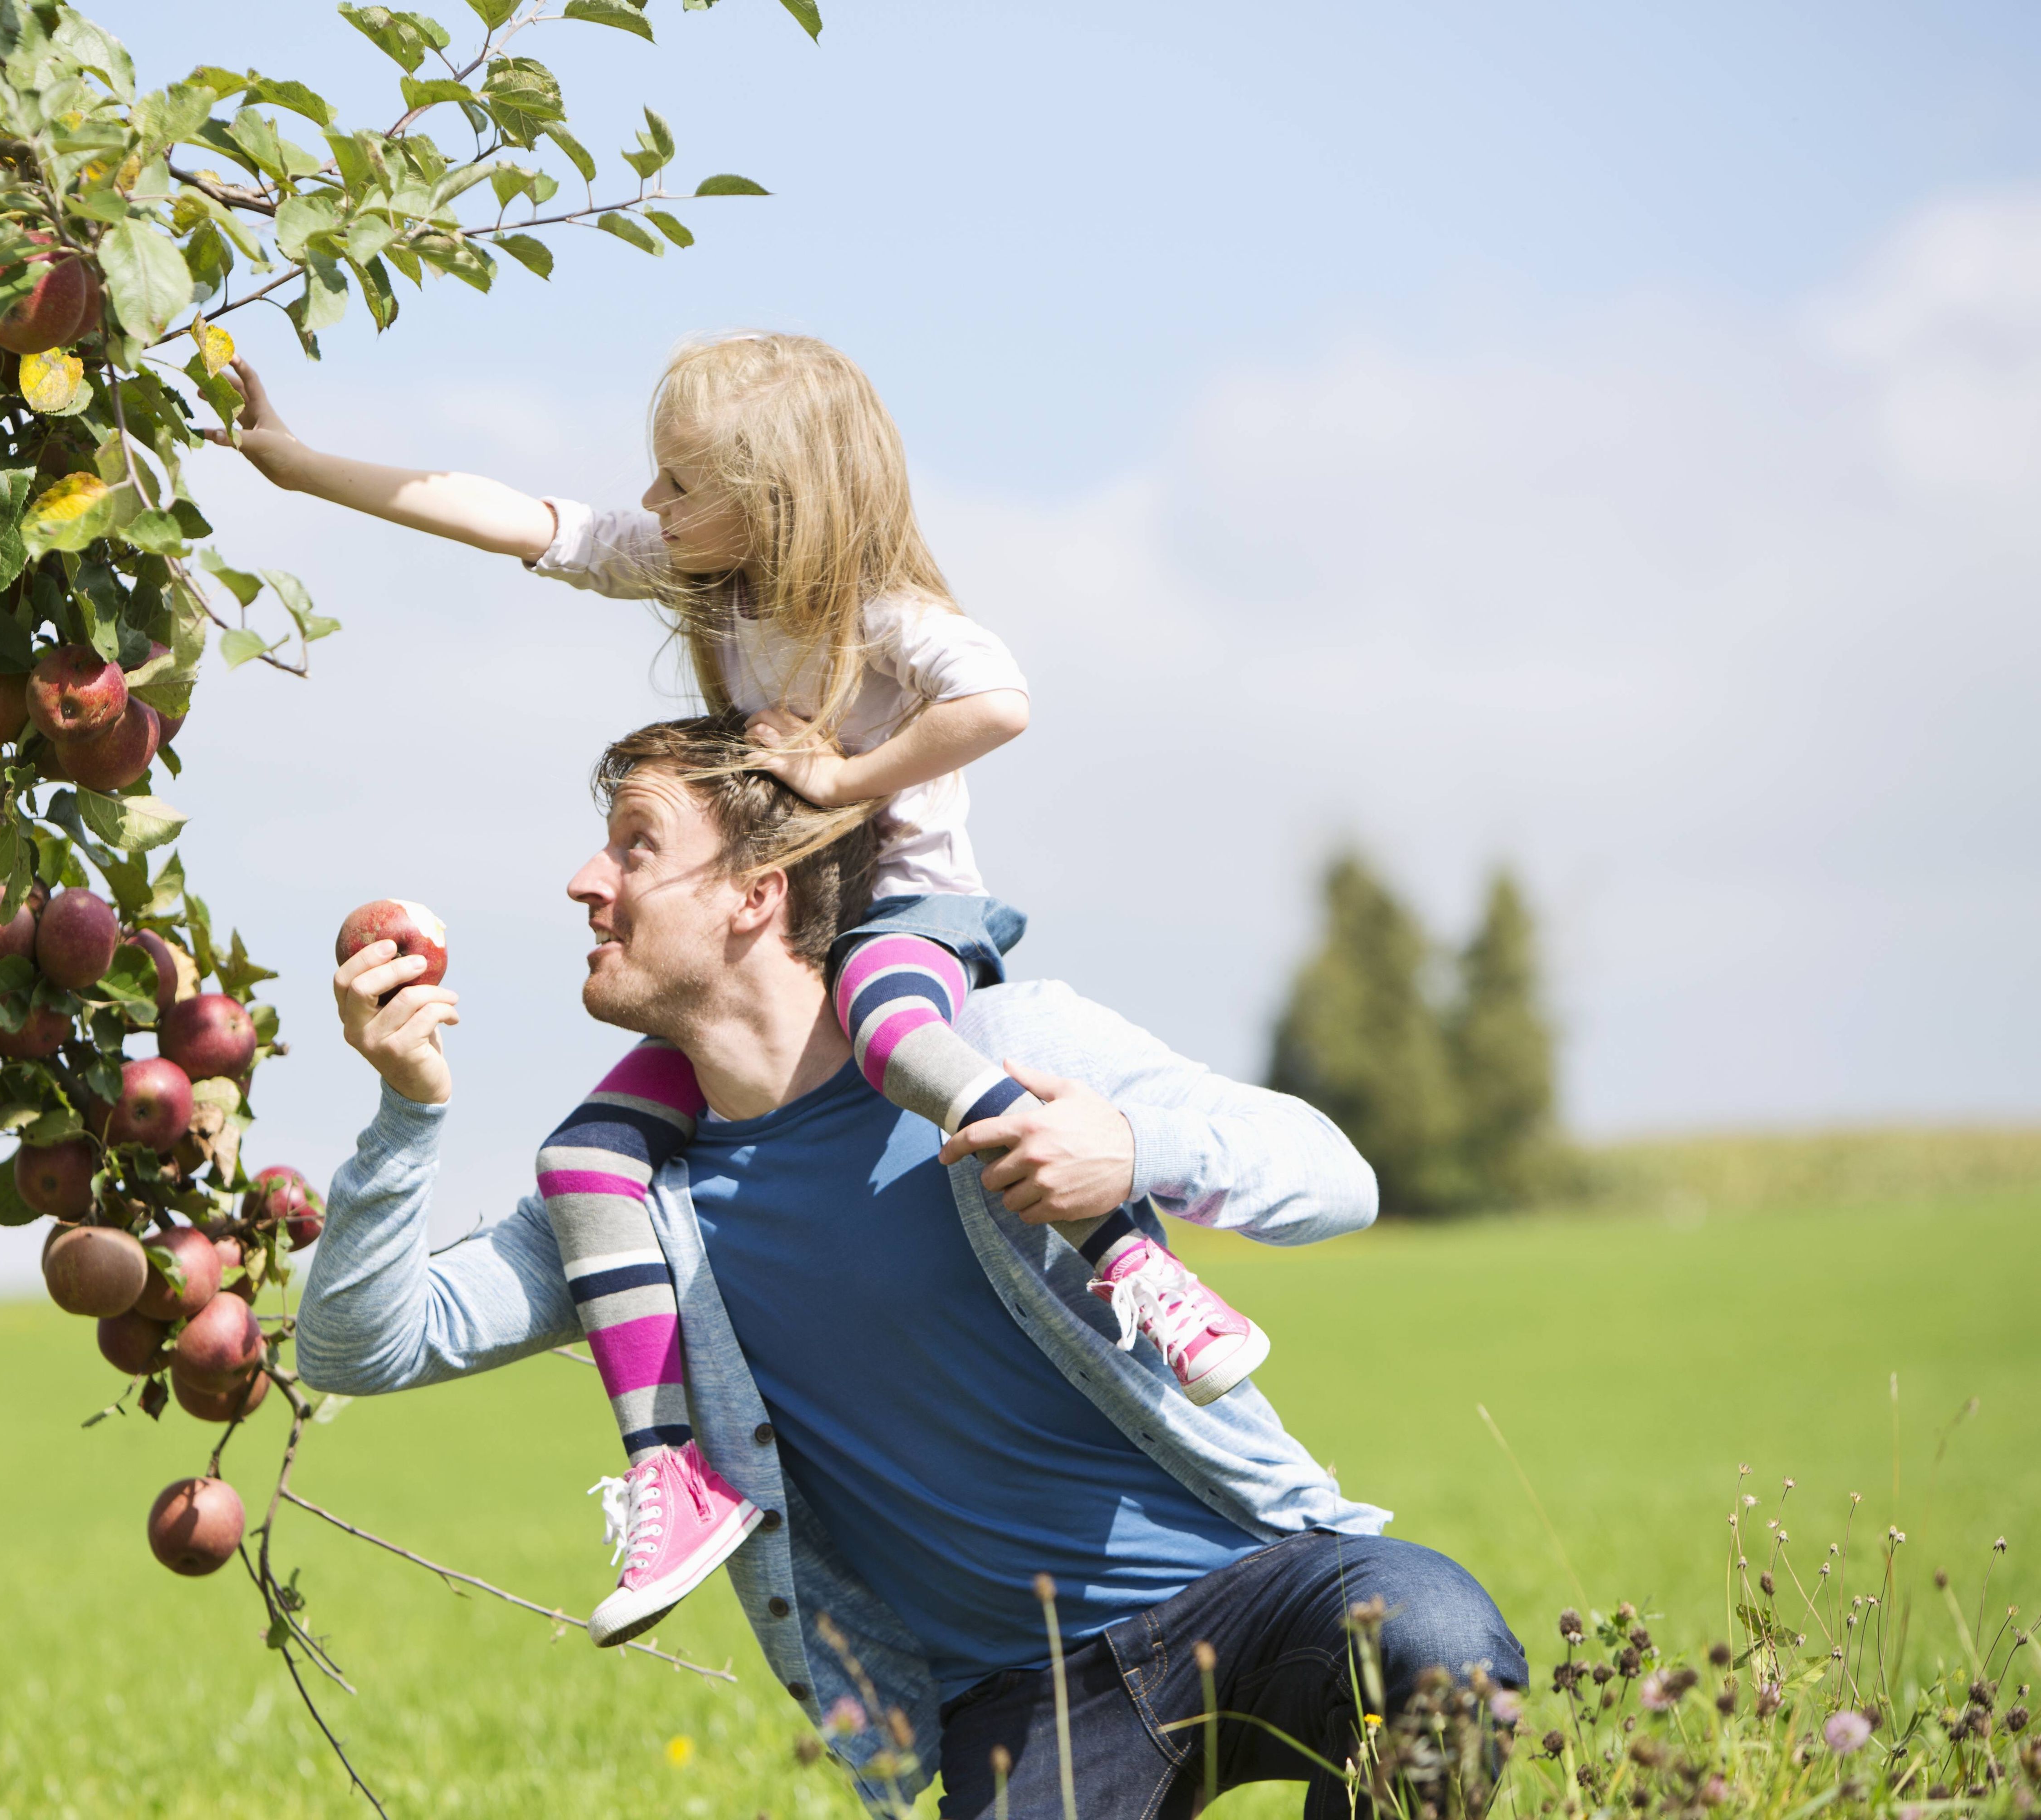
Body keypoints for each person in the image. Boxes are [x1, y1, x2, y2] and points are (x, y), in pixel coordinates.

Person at [229, 334, 1268, 1645]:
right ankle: (671, 1461)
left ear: (774, 500)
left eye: (678, 486)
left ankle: (1133, 1263)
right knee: (591, 1158)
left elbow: (998, 700)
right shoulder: (700, 578)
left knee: (896, 1032)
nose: (650, 510)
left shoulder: (877, 615)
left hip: (904, 918)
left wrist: (844, 779)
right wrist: (304, 468)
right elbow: (521, 521)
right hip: (800, 951)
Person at [293, 717, 1526, 1820]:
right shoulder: (630, 1214)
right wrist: (407, 1115)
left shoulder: (1005, 1041)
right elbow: (361, 1345)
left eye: (632, 844)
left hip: (1248, 1593)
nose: (583, 881)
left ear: (754, 892)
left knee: (1435, 1641)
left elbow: (1334, 1176)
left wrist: (1128, 1146)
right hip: (1024, 1704)